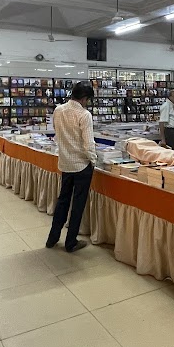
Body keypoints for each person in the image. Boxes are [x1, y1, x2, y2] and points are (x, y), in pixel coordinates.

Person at [46, 82, 97, 253]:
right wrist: (94, 161)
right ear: (84, 98)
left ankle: (52, 238)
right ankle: (71, 242)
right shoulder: (84, 114)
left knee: (63, 200)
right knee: (78, 204)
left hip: (65, 163)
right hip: (82, 165)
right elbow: (88, 144)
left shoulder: (58, 110)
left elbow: (57, 132)